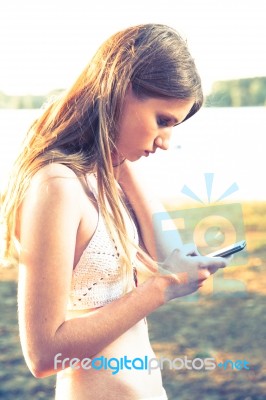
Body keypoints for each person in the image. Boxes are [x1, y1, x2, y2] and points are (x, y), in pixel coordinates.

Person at [1, 24, 228, 400]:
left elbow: (168, 257)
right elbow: (43, 354)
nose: (166, 142)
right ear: (119, 89)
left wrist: (118, 160)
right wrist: (162, 288)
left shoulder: (103, 178)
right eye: (163, 121)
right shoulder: (57, 185)